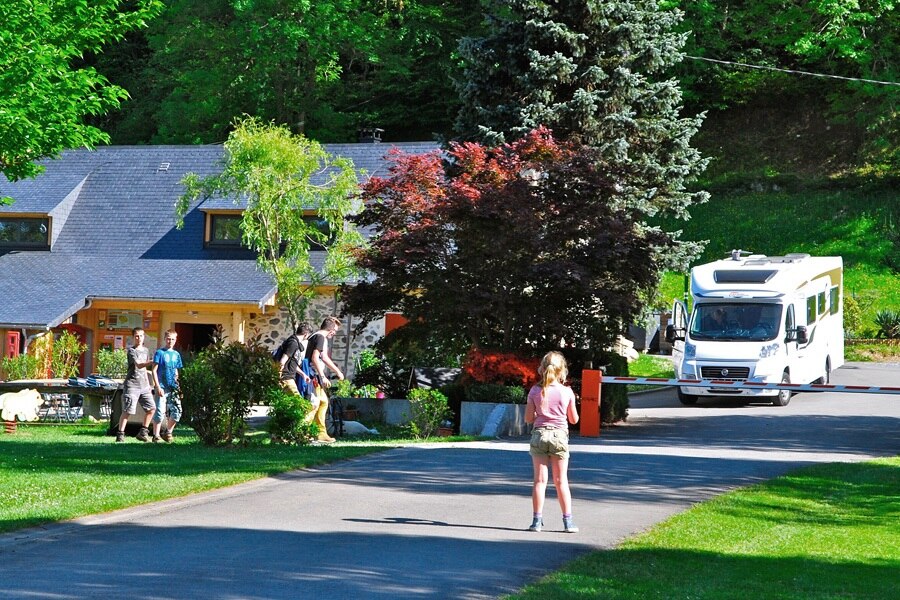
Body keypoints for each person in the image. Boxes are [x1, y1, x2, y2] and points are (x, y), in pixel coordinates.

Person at [524, 351, 579, 533]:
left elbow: (528, 418)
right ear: (562, 371)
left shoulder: (535, 390)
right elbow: (573, 420)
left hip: (539, 435)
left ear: (541, 369)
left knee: (539, 481)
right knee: (561, 481)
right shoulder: (567, 392)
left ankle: (536, 522)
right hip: (559, 437)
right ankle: (568, 522)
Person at [304, 316, 345, 443]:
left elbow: (324, 357)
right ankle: (304, 432)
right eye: (335, 330)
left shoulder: (316, 336)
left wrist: (337, 371)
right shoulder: (321, 337)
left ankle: (320, 433)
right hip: (313, 375)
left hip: (315, 374)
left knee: (323, 402)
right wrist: (322, 375)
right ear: (331, 329)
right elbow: (315, 358)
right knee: (315, 404)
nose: (334, 333)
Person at [116, 327, 157, 443]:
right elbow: (139, 365)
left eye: (141, 336)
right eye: (137, 336)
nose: (139, 338)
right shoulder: (131, 351)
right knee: (127, 411)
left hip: (144, 386)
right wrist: (153, 361)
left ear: (144, 337)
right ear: (133, 337)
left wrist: (150, 383)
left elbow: (146, 370)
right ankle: (120, 435)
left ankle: (143, 432)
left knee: (152, 409)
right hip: (132, 385)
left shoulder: (146, 350)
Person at [152, 329, 183, 443]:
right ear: (165, 339)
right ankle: (156, 435)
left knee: (177, 410)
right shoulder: (159, 353)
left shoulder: (176, 354)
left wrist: (178, 387)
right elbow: (154, 370)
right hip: (161, 385)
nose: (170, 341)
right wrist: (158, 386)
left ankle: (168, 432)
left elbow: (176, 371)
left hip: (173, 386)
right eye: (168, 339)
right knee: (160, 411)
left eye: (173, 339)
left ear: (176, 340)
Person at [278, 323, 312, 397]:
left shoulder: (295, 342)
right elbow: (283, 360)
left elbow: (292, 363)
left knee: (290, 404)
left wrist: (303, 375)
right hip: (286, 378)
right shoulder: (293, 343)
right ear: (306, 334)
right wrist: (279, 376)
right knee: (299, 404)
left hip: (289, 378)